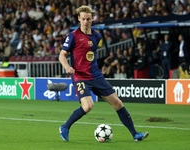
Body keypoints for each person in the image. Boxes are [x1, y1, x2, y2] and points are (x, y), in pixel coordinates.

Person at [58, 5, 149, 142]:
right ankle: (65, 127)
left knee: (118, 103)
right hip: (80, 76)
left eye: (88, 19)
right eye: (83, 19)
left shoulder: (96, 36)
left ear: (92, 19)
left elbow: (89, 54)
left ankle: (135, 134)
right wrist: (67, 67)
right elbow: (62, 55)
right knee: (88, 106)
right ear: (79, 19)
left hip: (96, 76)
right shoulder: (73, 36)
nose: (86, 22)